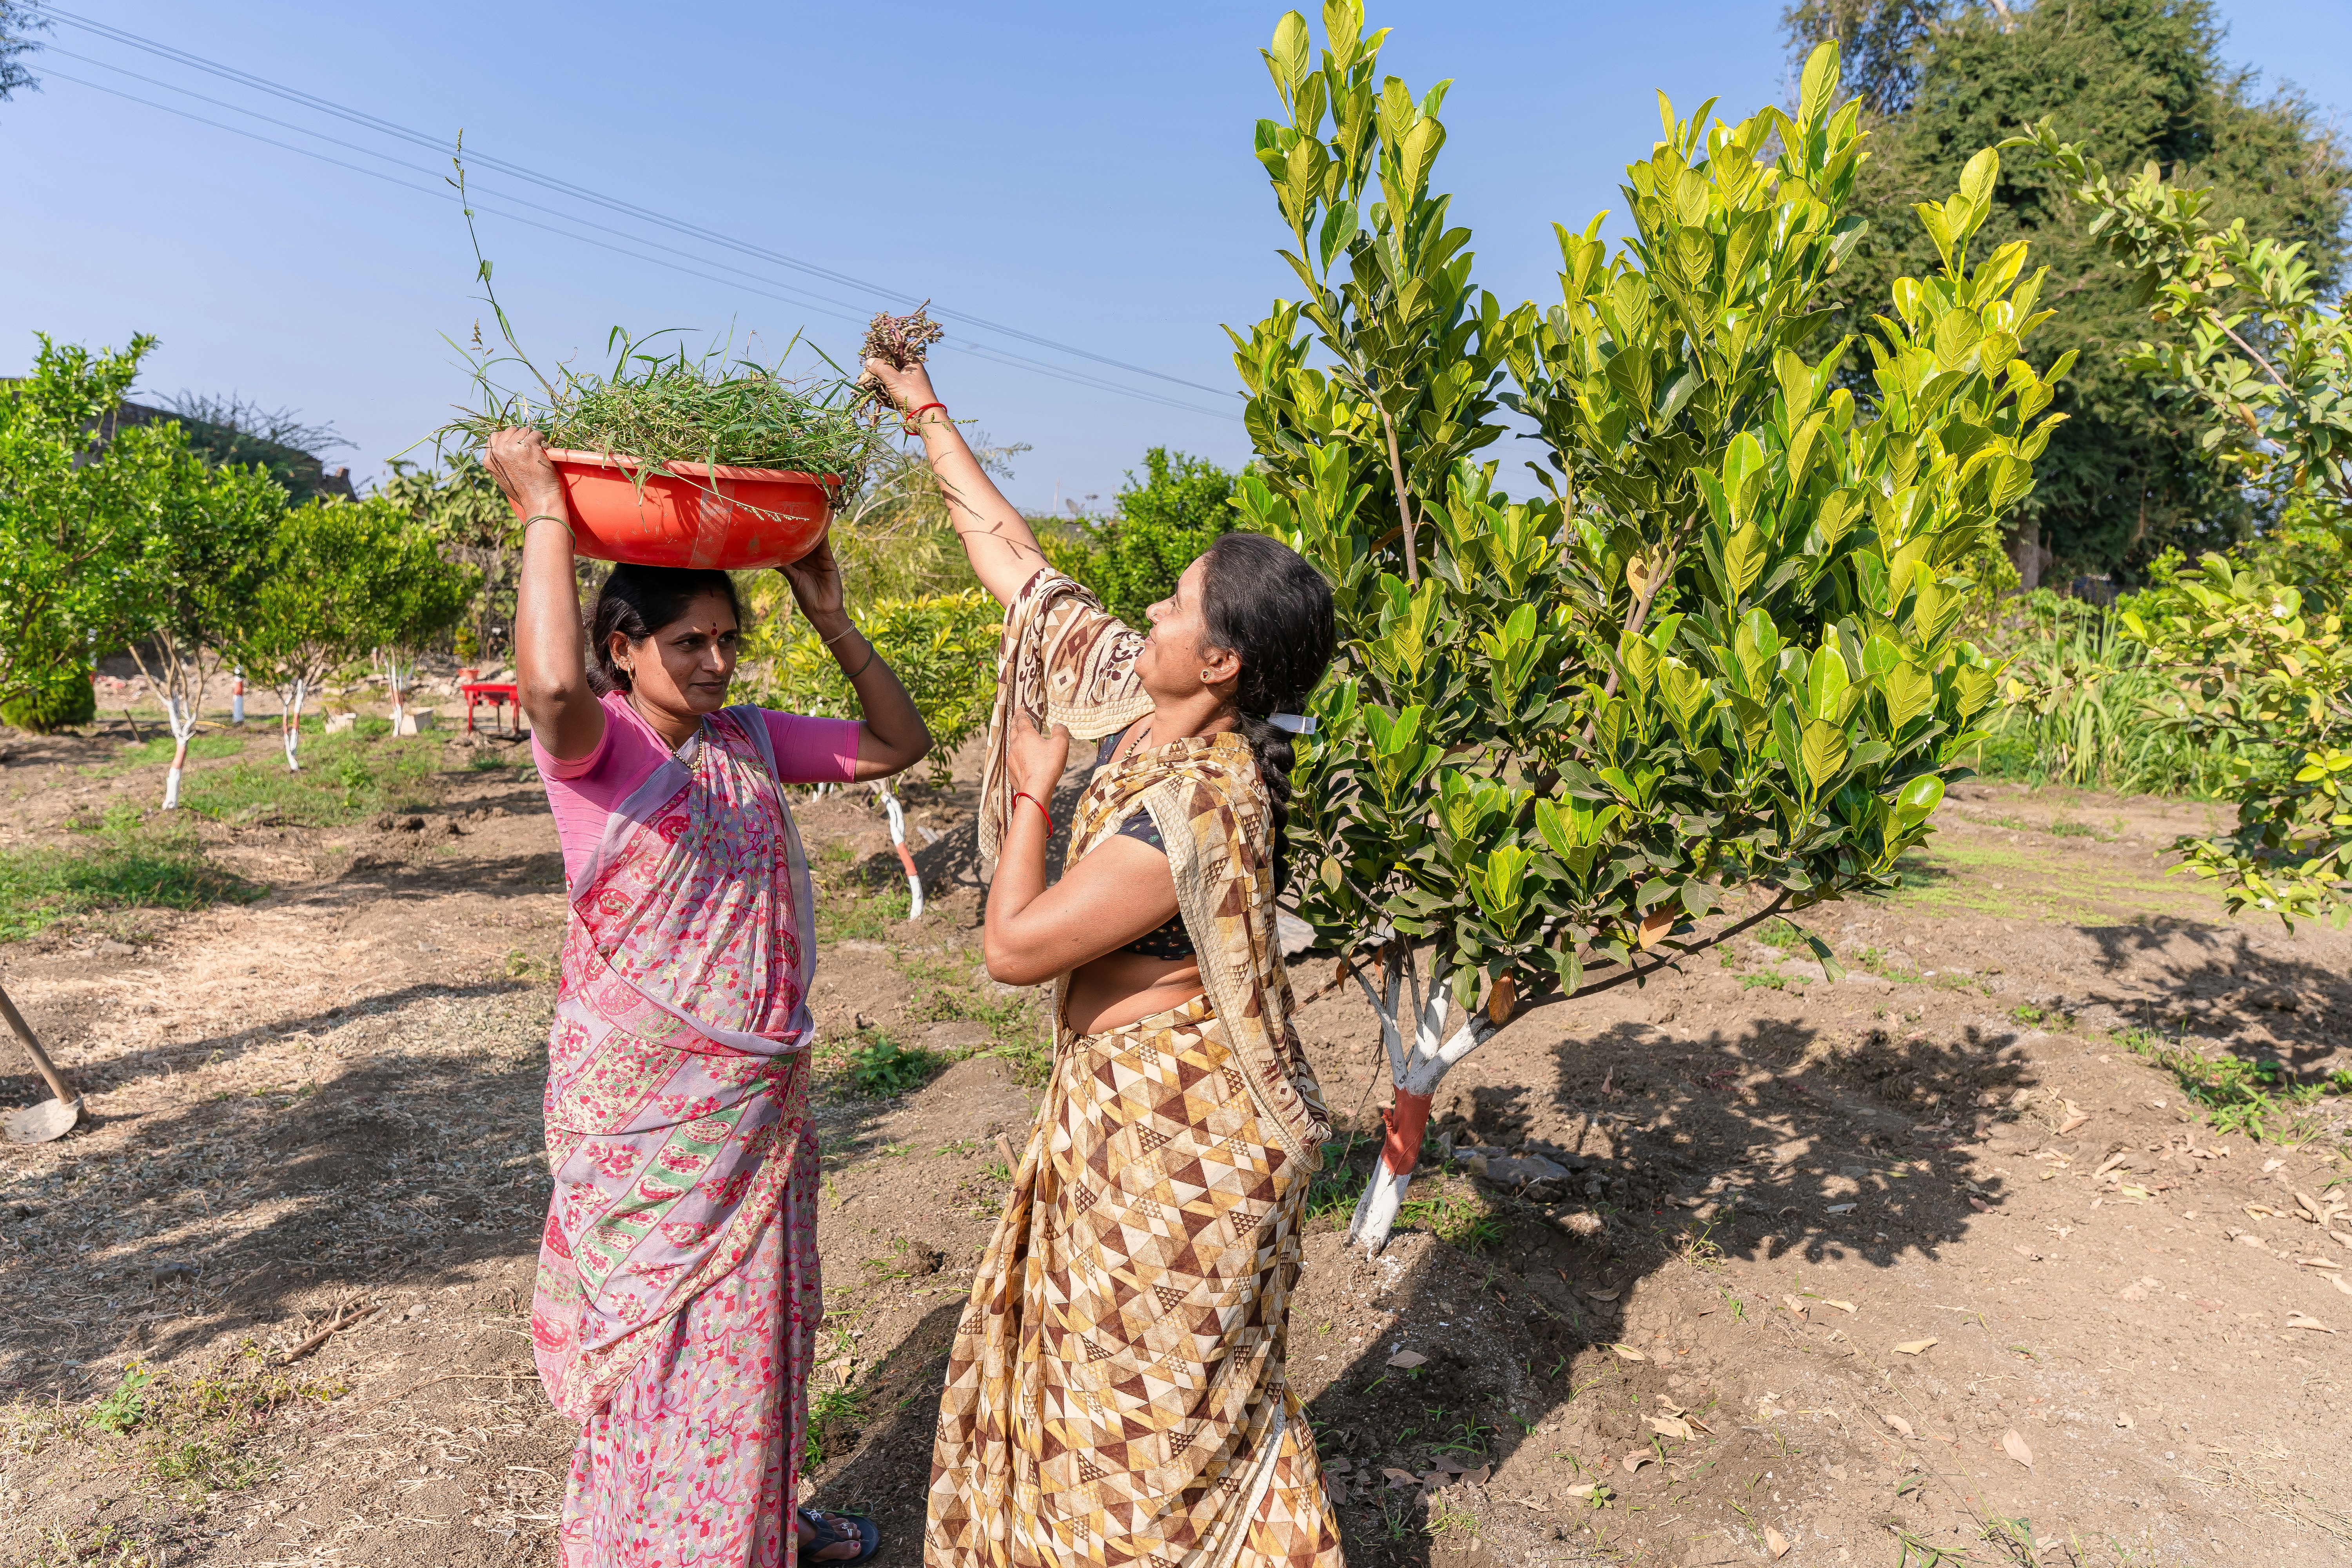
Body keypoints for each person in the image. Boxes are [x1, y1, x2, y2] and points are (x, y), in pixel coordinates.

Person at [858, 362, 1346, 1566]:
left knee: (1147, 1449)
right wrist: (923, 407)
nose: (1152, 617)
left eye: (1177, 606)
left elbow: (1013, 948)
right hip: (1116, 1118)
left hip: (1180, 1157)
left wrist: (1030, 788)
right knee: (1113, 1420)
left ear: (1223, 664)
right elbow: (1017, 564)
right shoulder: (1138, 697)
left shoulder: (1198, 803)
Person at [487, 427, 931, 1567]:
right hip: (653, 1131)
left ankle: (760, 1523)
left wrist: (830, 613)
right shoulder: (598, 753)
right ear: (623, 648)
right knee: (661, 1348)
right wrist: (546, 510)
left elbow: (898, 742)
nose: (719, 665)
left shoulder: (746, 741)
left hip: (752, 1117)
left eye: (731, 641)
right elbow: (545, 683)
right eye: (690, 644)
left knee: (756, 1340)